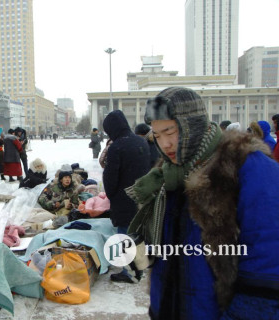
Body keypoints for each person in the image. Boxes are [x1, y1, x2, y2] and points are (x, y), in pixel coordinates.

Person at [126, 87, 279, 319]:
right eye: (157, 136)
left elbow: (268, 261)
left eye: (170, 131)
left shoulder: (245, 167)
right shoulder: (165, 174)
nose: (165, 144)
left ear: (192, 125)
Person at [103, 110, 150, 283]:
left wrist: (110, 194)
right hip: (141, 195)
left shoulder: (117, 146)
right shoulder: (141, 141)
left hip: (123, 197)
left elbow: (110, 177)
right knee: (137, 232)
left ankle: (129, 272)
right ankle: (140, 265)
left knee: (125, 233)